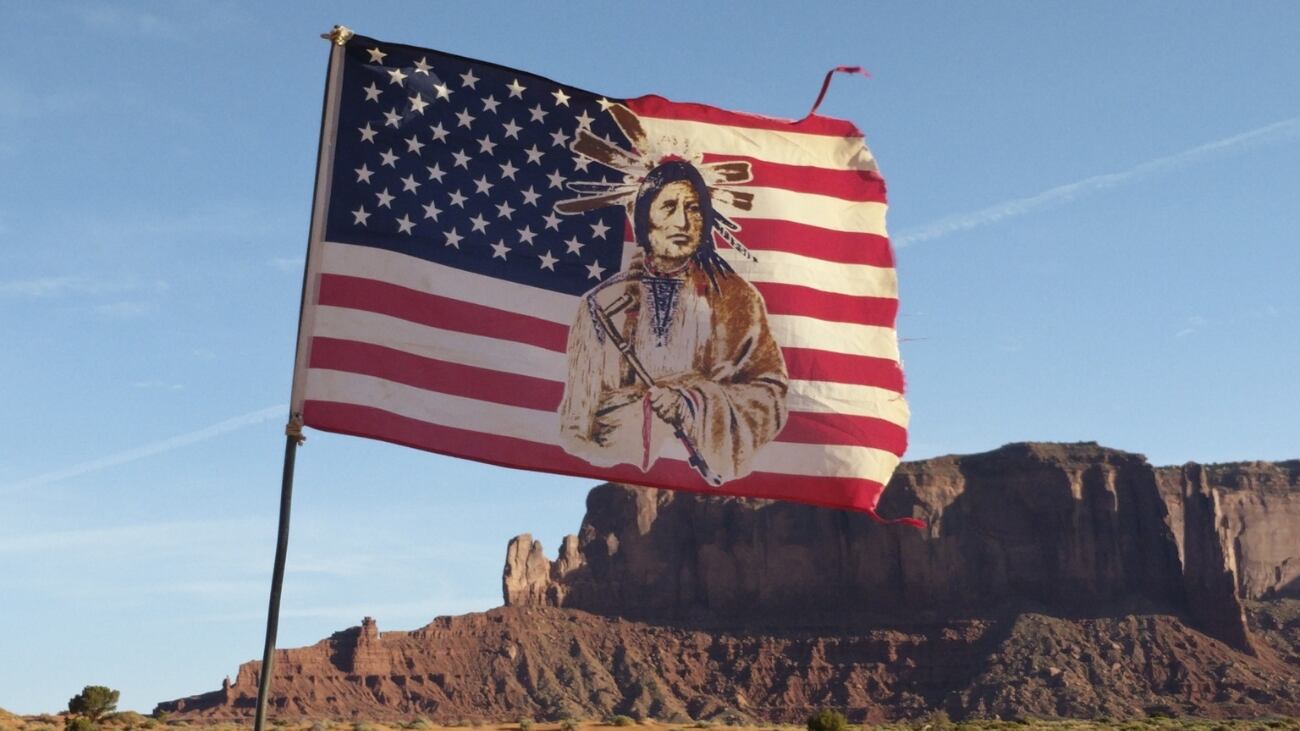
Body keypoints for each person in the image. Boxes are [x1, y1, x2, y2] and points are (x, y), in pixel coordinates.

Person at [557, 160, 788, 484]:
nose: (682, 221)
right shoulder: (601, 303)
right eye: (668, 207)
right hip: (617, 471)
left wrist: (693, 405)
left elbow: (770, 393)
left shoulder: (737, 299)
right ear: (644, 217)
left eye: (693, 208)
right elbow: (576, 421)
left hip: (699, 476)